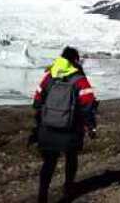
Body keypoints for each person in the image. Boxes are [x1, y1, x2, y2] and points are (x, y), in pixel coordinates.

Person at [31, 46, 96, 203]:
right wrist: (90, 126)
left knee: (49, 162)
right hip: (71, 128)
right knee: (71, 158)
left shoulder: (49, 75)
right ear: (75, 60)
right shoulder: (79, 79)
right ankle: (68, 192)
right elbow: (88, 104)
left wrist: (43, 119)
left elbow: (37, 101)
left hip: (47, 128)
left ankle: (42, 196)